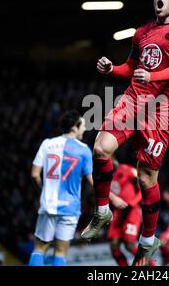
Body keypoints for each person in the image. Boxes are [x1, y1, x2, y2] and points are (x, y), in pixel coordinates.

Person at [81, 0, 169, 266]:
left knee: (146, 177)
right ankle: (103, 210)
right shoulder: (142, 32)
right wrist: (112, 69)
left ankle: (147, 241)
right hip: (133, 100)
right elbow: (131, 68)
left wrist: (152, 76)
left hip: (161, 109)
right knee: (100, 148)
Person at [29, 110, 126, 266]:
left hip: (48, 204)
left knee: (39, 249)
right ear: (74, 128)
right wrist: (113, 198)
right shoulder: (83, 150)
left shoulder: (47, 144)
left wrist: (43, 191)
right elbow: (93, 181)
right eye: (83, 126)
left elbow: (34, 174)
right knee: (60, 252)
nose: (85, 129)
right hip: (70, 208)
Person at [107, 157, 157, 266]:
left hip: (132, 211)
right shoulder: (106, 177)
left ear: (113, 159)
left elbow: (142, 189)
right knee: (114, 246)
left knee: (129, 245)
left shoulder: (127, 170)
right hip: (118, 213)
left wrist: (131, 204)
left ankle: (153, 265)